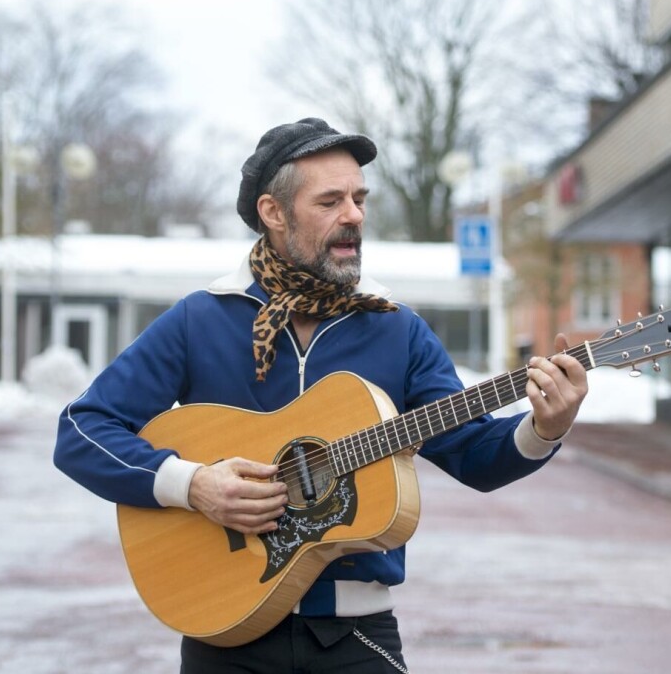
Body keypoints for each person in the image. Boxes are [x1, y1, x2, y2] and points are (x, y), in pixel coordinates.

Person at [54, 117, 588, 673]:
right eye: (330, 201)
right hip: (223, 628)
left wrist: (544, 427)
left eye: (359, 198)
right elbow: (82, 431)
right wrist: (194, 485)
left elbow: (473, 454)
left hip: (357, 636)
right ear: (274, 213)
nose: (354, 215)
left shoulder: (397, 330)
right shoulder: (202, 319)